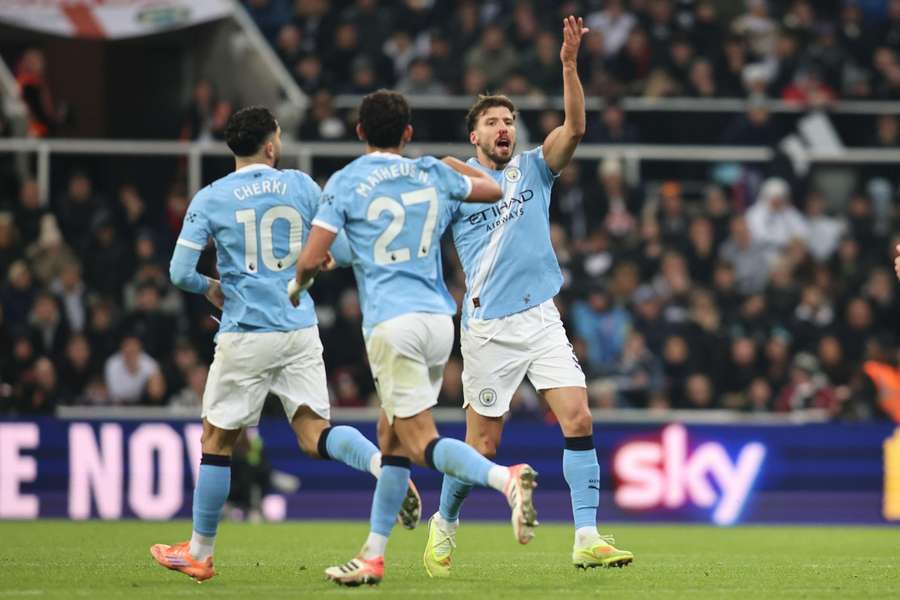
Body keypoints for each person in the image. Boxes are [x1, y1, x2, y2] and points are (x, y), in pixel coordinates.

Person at [149, 106, 420, 583]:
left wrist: (210, 286)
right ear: (271, 145)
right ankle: (381, 465)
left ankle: (199, 551)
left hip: (246, 332)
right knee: (314, 432)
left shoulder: (211, 197)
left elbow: (177, 272)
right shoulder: (300, 185)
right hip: (298, 328)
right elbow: (337, 250)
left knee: (217, 440)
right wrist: (320, 264)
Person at [291, 89, 537, 586]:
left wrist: (299, 284)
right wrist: (448, 166)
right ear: (407, 133)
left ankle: (504, 479)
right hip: (436, 323)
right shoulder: (429, 171)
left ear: (360, 131)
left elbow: (310, 259)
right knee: (391, 437)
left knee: (420, 438)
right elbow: (492, 190)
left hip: (392, 324)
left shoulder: (346, 181)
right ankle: (373, 556)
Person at [426, 16, 634, 577]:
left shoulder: (535, 170)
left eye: (509, 121)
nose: (504, 128)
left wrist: (568, 65)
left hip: (541, 318)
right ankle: (444, 525)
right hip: (489, 327)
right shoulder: (457, 181)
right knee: (483, 448)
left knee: (578, 415)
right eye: (493, 122)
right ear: (475, 136)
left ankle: (586, 535)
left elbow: (577, 127)